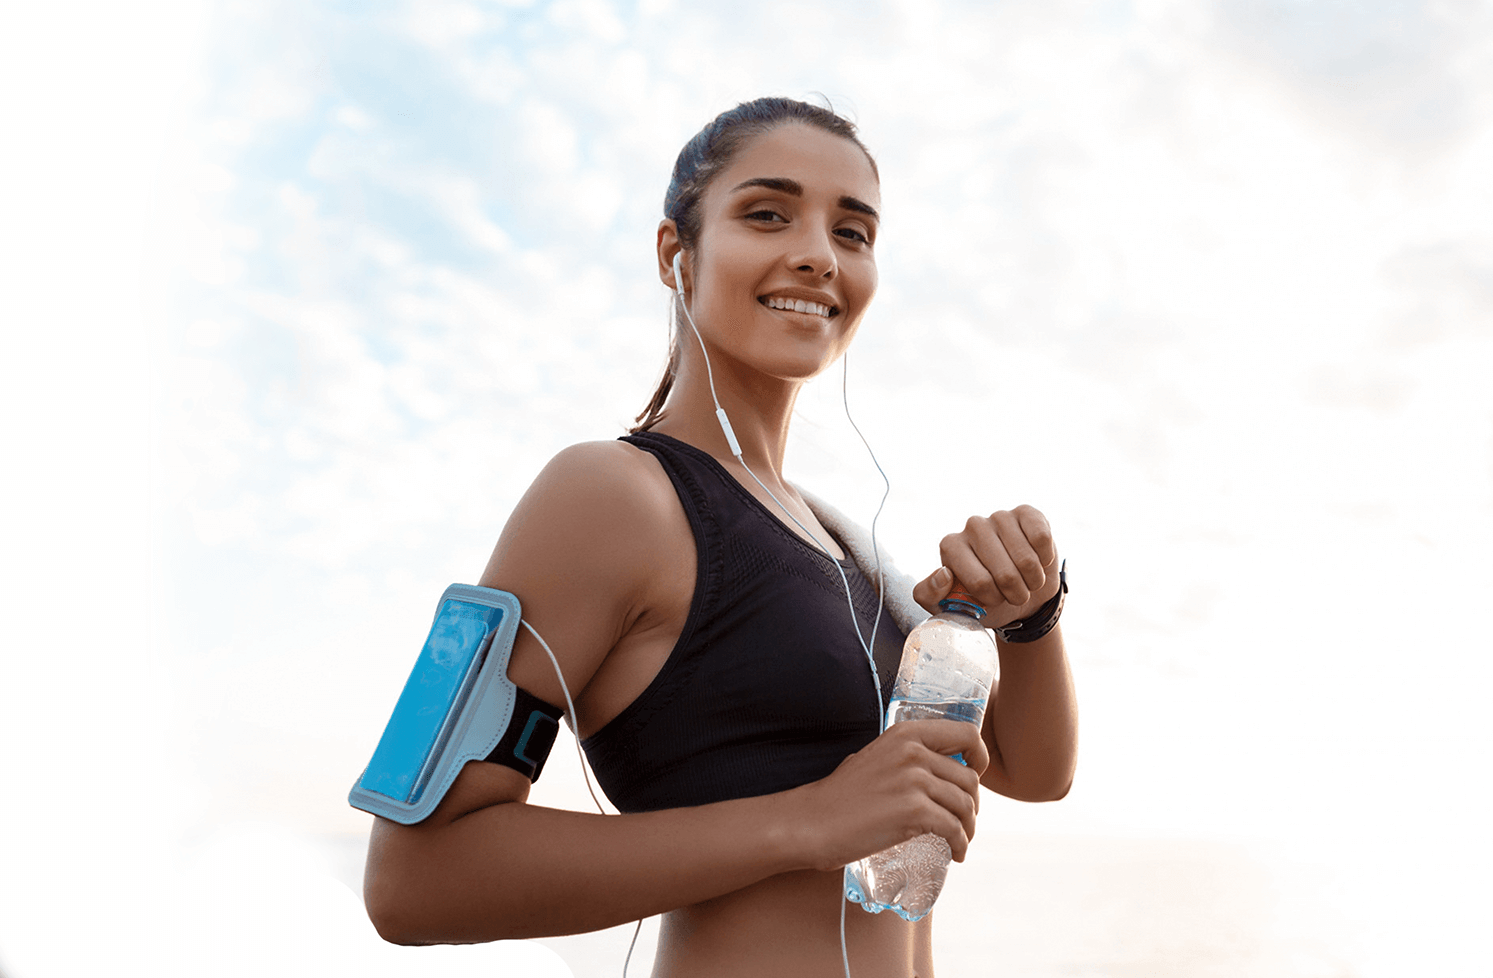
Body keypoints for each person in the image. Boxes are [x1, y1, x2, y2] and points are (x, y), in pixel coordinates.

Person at [362, 97, 1078, 977]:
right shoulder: (611, 495)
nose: (818, 253)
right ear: (677, 254)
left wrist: (1032, 620)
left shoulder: (843, 540)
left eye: (853, 233)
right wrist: (807, 820)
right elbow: (413, 882)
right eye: (768, 214)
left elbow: (1030, 772)